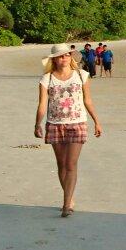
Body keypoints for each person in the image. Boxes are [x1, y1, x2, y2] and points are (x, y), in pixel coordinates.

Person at [35, 43, 101, 218]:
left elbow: (88, 100)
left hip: (77, 123)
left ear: (70, 57)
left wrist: (96, 121)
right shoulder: (47, 79)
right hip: (54, 124)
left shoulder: (82, 75)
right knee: (61, 164)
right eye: (59, 56)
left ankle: (66, 204)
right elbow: (42, 104)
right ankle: (69, 198)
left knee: (71, 164)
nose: (63, 58)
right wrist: (37, 124)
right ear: (54, 60)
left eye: (66, 55)